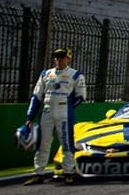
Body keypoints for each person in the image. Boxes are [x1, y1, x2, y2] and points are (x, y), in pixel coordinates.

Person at [23, 47, 87, 185]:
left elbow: (80, 97)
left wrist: (68, 107)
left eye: (62, 56)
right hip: (46, 111)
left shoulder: (76, 75)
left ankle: (68, 172)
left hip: (64, 112)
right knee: (42, 143)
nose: (58, 59)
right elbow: (36, 96)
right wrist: (30, 117)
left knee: (66, 142)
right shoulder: (46, 74)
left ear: (69, 58)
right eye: (56, 57)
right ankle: (38, 173)